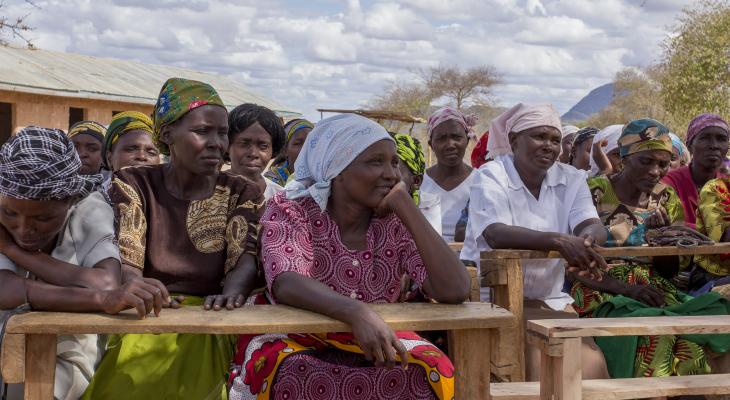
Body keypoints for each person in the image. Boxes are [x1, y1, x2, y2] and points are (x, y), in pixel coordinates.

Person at [228, 114, 470, 400]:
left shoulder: (394, 221)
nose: (392, 174)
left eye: (393, 162)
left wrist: (408, 208)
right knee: (297, 371)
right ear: (337, 169)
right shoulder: (293, 210)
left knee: (428, 369)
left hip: (372, 339)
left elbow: (455, 290)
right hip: (296, 337)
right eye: (375, 162)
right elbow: (287, 280)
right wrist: (357, 313)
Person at [82, 78, 264, 400]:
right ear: (167, 134)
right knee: (133, 372)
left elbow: (243, 257)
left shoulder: (240, 191)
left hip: (212, 318)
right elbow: (130, 249)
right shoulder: (136, 183)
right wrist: (136, 287)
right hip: (149, 312)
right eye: (202, 131)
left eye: (222, 133)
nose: (216, 143)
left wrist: (229, 298)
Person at [0, 127, 164, 400]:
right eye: (9, 213)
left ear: (70, 200)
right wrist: (100, 299)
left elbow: (106, 281)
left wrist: (12, 249)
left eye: (42, 219)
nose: (23, 228)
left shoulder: (90, 207)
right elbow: (4, 289)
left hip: (66, 359)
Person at [569, 118, 730, 378]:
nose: (655, 171)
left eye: (663, 164)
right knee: (657, 335)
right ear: (624, 157)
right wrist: (628, 289)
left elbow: (670, 272)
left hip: (655, 288)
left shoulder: (666, 198)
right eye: (646, 161)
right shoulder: (594, 191)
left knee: (705, 327)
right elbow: (575, 265)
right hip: (602, 290)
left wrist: (658, 242)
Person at [461, 103, 609, 382]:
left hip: (549, 300)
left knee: (588, 363)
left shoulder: (572, 178)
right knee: (555, 364)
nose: (549, 146)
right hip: (493, 300)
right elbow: (495, 233)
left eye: (555, 140)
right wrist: (559, 240)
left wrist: (588, 239)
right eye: (539, 137)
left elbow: (590, 223)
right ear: (514, 140)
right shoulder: (491, 175)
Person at [420, 106, 482, 243]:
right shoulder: (419, 182)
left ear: (467, 139)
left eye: (456, 137)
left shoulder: (481, 181)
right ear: (431, 144)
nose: (450, 144)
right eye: (441, 139)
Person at [662, 113, 729, 229]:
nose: (714, 145)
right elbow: (669, 225)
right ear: (689, 145)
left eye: (721, 139)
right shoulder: (669, 183)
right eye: (705, 138)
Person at [228, 103, 287, 200]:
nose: (253, 154)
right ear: (227, 144)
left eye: (263, 146)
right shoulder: (204, 191)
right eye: (244, 143)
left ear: (273, 149)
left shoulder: (280, 199)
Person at [394, 133, 442, 234]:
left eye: (395, 167)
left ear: (416, 181)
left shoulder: (427, 204)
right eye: (377, 163)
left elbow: (430, 248)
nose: (385, 174)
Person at [264, 118, 314, 187]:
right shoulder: (272, 181)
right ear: (285, 150)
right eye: (298, 143)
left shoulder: (324, 177)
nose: (306, 148)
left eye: (311, 142)